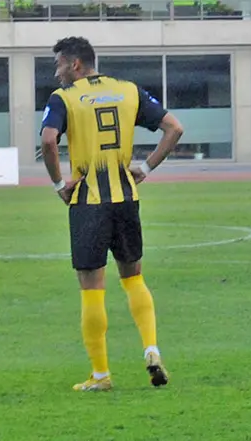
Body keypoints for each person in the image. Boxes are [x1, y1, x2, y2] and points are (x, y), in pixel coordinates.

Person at [39, 36, 184, 392]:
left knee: (92, 289)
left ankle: (101, 375)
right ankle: (151, 349)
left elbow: (47, 140)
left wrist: (60, 184)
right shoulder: (128, 90)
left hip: (88, 200)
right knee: (133, 278)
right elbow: (174, 128)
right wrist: (146, 168)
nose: (56, 73)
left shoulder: (65, 98)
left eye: (58, 65)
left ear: (74, 64)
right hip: (126, 198)